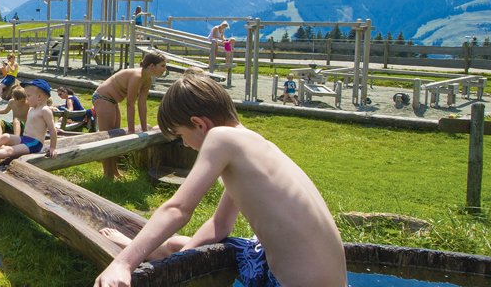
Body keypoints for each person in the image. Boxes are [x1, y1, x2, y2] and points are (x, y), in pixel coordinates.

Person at [93, 70, 346, 287]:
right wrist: (176, 256)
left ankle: (149, 252)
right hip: (320, 276)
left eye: (182, 136)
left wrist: (122, 264)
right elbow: (220, 224)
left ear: (199, 124)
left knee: (179, 245)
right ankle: (158, 251)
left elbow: (178, 209)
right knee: (179, 244)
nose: (186, 145)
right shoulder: (251, 144)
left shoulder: (221, 138)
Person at [93, 51, 167, 179]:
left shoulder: (147, 79)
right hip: (103, 98)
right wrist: (131, 130)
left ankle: (114, 170)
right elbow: (130, 104)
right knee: (107, 138)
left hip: (112, 101)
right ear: (151, 66)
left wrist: (144, 130)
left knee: (115, 137)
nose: (165, 69)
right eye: (162, 65)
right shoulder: (137, 76)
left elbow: (142, 105)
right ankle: (107, 174)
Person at [0, 79, 57, 160]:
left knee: (9, 150)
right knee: (5, 136)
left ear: (39, 97)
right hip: (25, 138)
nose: (27, 99)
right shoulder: (32, 108)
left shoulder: (45, 110)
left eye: (28, 96)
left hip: (35, 144)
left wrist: (52, 147)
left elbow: (53, 130)